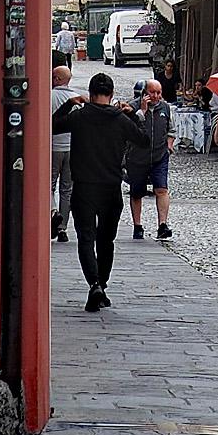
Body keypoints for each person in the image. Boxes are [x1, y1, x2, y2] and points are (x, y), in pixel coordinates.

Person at [53, 70, 146, 312]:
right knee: (106, 240)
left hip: (84, 187)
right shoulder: (120, 120)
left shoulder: (80, 116)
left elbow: (52, 126)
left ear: (90, 94)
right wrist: (132, 114)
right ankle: (101, 285)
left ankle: (94, 284)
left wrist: (68, 104)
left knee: (86, 238)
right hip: (111, 187)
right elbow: (143, 140)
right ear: (111, 94)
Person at [126, 78, 174, 240]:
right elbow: (129, 129)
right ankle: (137, 226)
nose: (156, 96)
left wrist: (169, 145)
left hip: (160, 156)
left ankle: (163, 225)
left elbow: (171, 129)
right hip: (137, 157)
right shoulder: (132, 107)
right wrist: (142, 111)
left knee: (162, 189)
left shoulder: (165, 107)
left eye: (159, 93)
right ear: (144, 93)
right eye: (152, 92)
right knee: (137, 192)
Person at [49, 52, 77, 242]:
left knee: (49, 186)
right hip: (71, 148)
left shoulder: (48, 97)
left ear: (57, 79)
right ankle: (63, 228)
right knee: (67, 189)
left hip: (53, 147)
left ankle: (53, 212)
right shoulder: (76, 98)